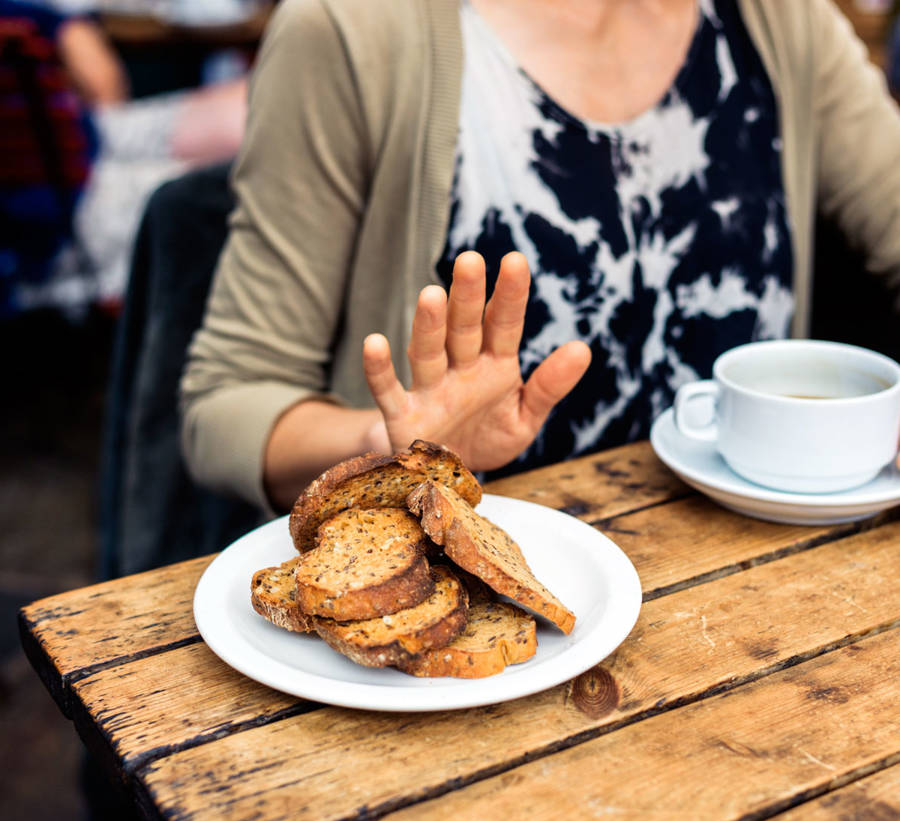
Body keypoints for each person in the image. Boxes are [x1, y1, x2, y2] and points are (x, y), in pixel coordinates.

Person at [180, 0, 900, 515]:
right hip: (474, 626)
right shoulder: (351, 28)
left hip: (758, 593)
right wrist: (386, 443)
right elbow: (226, 405)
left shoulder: (783, 20)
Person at [0, 0, 247, 311]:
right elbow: (102, 82)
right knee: (245, 185)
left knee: (256, 103)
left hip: (84, 137)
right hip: (57, 226)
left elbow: (105, 93)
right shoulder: (23, 19)